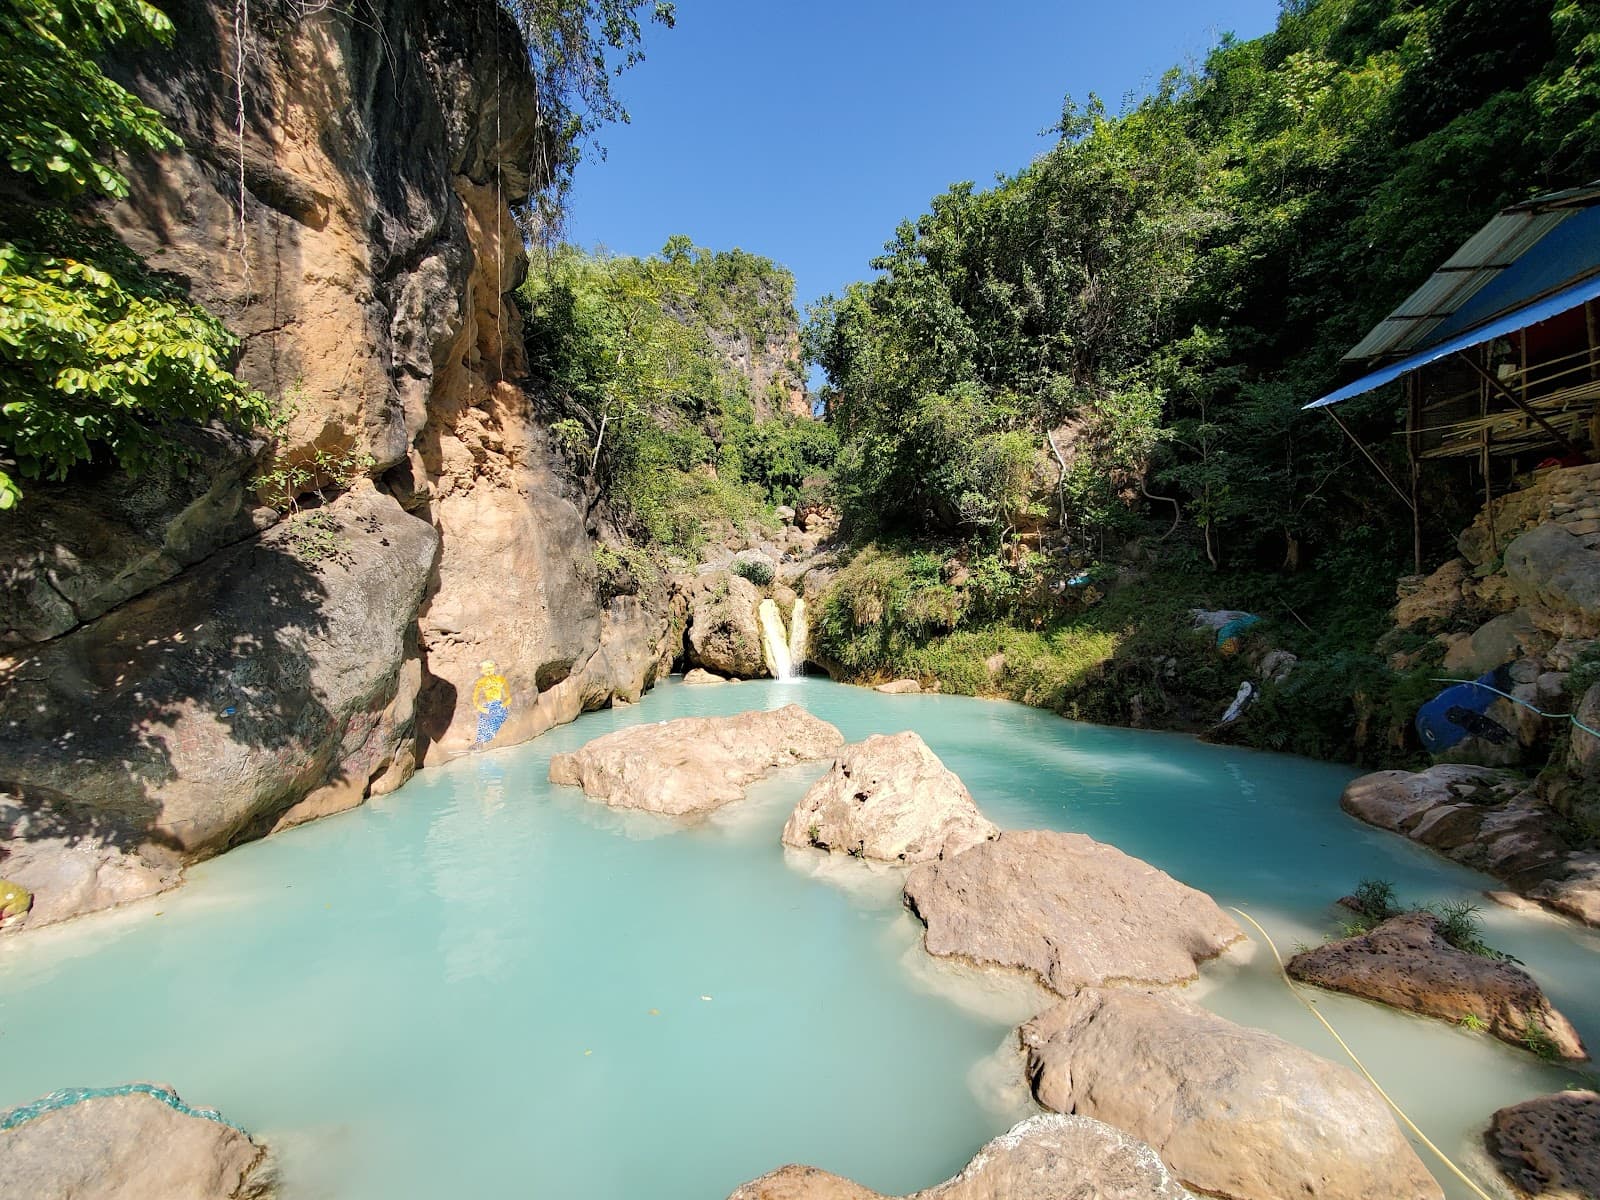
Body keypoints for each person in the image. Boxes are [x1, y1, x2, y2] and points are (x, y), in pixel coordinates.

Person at [472, 659, 510, 746]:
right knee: (483, 719)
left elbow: (508, 698)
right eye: (485, 669)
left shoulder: (501, 680)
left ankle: (484, 742)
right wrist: (481, 708)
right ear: (482, 671)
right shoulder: (480, 682)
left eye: (490, 668)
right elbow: (475, 699)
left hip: (499, 705)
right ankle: (479, 742)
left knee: (494, 719)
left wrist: (502, 706)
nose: (488, 671)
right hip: (488, 706)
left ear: (494, 668)